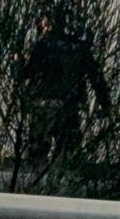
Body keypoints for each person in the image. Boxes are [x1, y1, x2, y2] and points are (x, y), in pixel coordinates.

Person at [19, 10, 112, 163]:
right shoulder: (79, 48)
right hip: (68, 107)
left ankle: (33, 184)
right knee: (68, 159)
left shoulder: (42, 45)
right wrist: (105, 105)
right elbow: (96, 79)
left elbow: (25, 74)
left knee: (36, 159)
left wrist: (18, 62)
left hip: (43, 107)